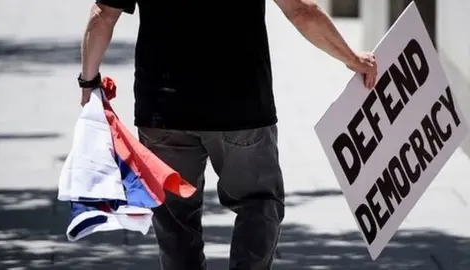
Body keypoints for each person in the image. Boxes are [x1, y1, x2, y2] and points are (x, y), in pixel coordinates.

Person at [77, 0, 377, 269]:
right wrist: (351, 58)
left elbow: (103, 15)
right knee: (259, 203)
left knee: (174, 218)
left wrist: (88, 82)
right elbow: (301, 11)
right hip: (241, 107)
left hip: (164, 110)